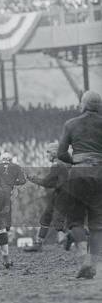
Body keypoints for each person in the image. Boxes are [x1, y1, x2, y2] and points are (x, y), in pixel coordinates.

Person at [57, 90, 102, 279]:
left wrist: (75, 161)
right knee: (98, 224)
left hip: (78, 175)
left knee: (75, 220)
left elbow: (61, 154)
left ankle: (84, 258)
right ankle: (92, 262)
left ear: (83, 104)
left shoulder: (71, 124)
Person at [24, 142, 69, 252]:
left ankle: (79, 236)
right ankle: (38, 243)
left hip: (62, 195)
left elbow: (48, 182)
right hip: (60, 193)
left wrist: (32, 178)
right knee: (46, 217)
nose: (46, 154)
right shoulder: (62, 163)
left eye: (48, 152)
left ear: (54, 152)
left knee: (58, 223)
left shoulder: (57, 165)